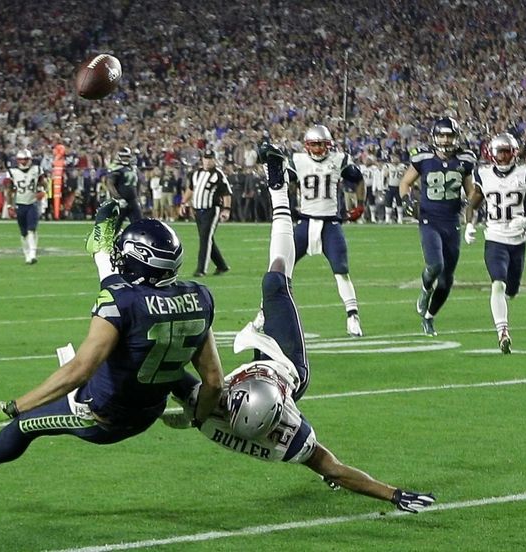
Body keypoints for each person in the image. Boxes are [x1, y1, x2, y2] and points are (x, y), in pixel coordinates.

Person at [163, 146, 434, 514]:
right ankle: (278, 188)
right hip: (289, 366)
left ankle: (278, 187)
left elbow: (171, 379)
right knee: (276, 279)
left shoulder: (214, 410)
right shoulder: (289, 431)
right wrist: (392, 493)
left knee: (159, 367)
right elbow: (333, 467)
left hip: (227, 402)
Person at [0, 203, 225, 485]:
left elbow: (79, 371)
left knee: (24, 424)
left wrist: (11, 407)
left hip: (102, 416)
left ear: (139, 260)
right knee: (153, 353)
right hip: (150, 411)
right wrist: (197, 418)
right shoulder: (199, 297)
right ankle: (194, 399)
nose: (118, 259)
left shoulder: (120, 302)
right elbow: (214, 382)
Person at [464, 133, 526, 353]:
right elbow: (473, 203)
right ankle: (502, 332)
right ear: (491, 154)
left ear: (514, 153)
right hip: (494, 237)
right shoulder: (483, 175)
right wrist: (469, 225)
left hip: (518, 240)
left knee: (511, 290)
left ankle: (508, 304)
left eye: (506, 152)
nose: (502, 158)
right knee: (498, 284)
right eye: (499, 152)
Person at [279, 124, 366, 337]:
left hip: (330, 224)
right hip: (305, 222)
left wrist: (360, 205)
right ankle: (265, 312)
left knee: (341, 271)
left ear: (329, 145)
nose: (319, 149)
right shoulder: (297, 161)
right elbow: (283, 183)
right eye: (315, 144)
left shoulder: (339, 160)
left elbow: (358, 180)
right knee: (281, 268)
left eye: (322, 144)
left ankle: (352, 316)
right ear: (307, 145)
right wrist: (288, 205)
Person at [399, 117, 477, 337]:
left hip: (452, 222)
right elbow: (405, 183)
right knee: (435, 265)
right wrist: (407, 201)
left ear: (456, 137)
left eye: (449, 135)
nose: (445, 139)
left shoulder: (465, 159)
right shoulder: (423, 157)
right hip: (429, 219)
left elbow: (471, 190)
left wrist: (472, 204)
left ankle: (429, 317)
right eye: (441, 135)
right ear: (434, 137)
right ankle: (425, 290)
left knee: (447, 279)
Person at [181, 149, 232, 277]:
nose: (208, 161)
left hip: (211, 210)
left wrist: (226, 209)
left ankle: (201, 269)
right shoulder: (196, 173)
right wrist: (183, 203)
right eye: (206, 158)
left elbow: (226, 193)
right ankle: (222, 266)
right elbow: (191, 190)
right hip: (198, 211)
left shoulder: (218, 175)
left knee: (205, 239)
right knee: (208, 239)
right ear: (202, 159)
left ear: (214, 160)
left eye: (210, 158)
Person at [6, 149, 47, 264]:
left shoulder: (36, 170)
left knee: (31, 230)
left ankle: (32, 254)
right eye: (21, 159)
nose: (24, 162)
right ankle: (26, 254)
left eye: (26, 159)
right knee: (23, 232)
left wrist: (42, 191)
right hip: (20, 203)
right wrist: (10, 205)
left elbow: (44, 183)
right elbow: (9, 190)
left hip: (32, 202)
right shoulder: (12, 172)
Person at [105, 147, 143, 225]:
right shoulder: (115, 168)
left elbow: (138, 184)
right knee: (115, 226)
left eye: (127, 156)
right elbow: (110, 184)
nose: (125, 158)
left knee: (139, 224)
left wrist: (138, 197)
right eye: (123, 156)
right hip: (120, 201)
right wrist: (118, 198)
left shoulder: (133, 168)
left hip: (133, 200)